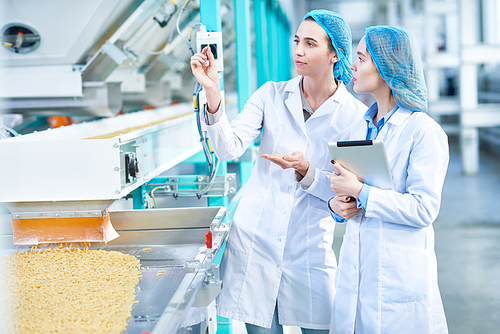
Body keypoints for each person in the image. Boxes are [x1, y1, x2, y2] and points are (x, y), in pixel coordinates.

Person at [191, 10, 366, 334]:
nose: (298, 50)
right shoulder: (270, 94)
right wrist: (213, 93)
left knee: (323, 326)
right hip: (256, 239)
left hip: (309, 246)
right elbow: (230, 148)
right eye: (297, 41)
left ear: (334, 54)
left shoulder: (354, 117)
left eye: (310, 43)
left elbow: (350, 194)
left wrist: (307, 171)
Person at [327, 26, 449, 333]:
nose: (352, 66)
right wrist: (338, 204)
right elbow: (349, 199)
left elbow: (424, 209)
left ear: (385, 67)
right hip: (358, 275)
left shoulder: (422, 131)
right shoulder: (360, 128)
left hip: (398, 285)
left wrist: (361, 192)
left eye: (361, 59)